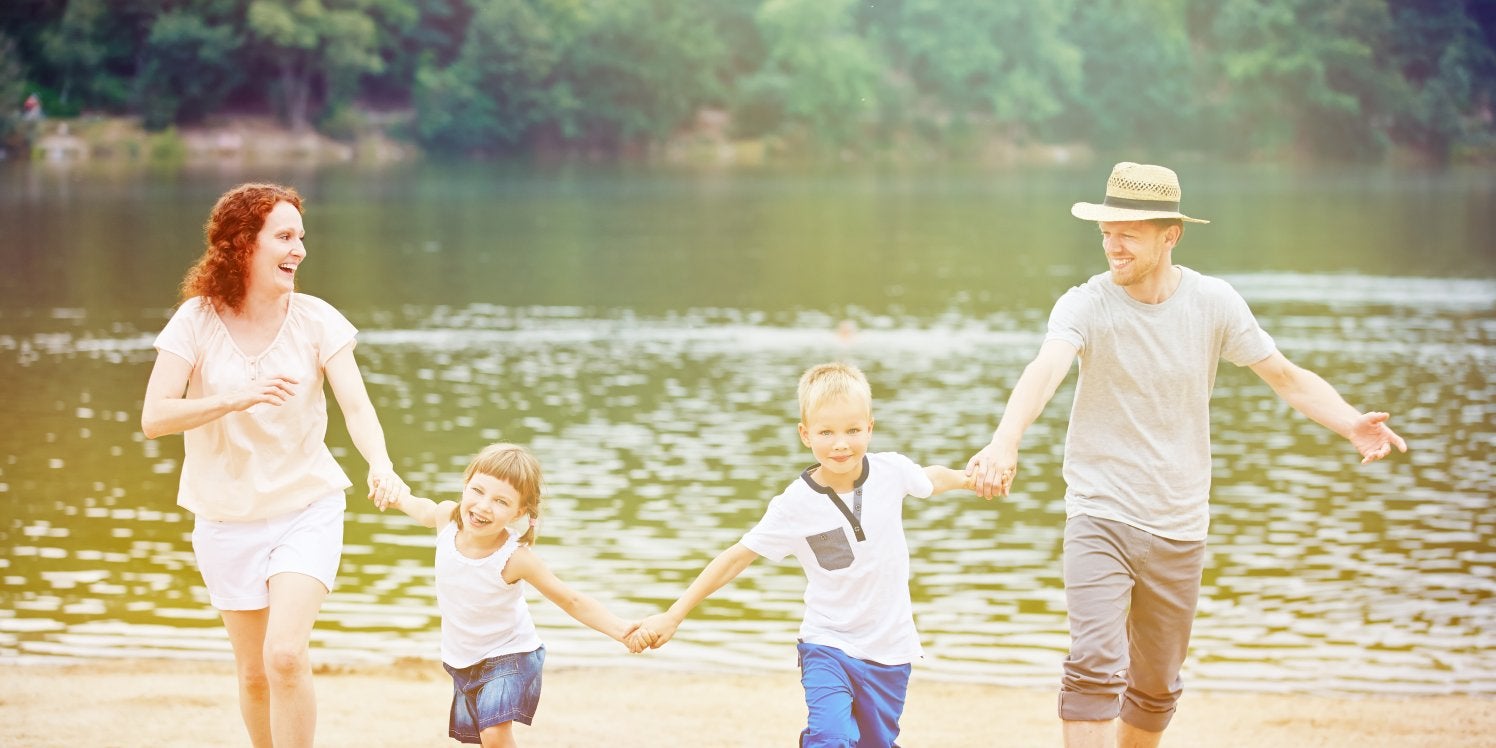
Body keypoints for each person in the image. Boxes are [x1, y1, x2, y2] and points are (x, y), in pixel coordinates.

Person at [964, 162, 1408, 748]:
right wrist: (1005, 439)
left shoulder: (1214, 303)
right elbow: (1045, 369)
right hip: (1101, 514)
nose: (1111, 244)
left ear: (1170, 235)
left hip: (1180, 524)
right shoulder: (1085, 304)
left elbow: (1284, 376)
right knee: (1094, 664)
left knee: (1153, 691)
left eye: (1128, 232)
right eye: (1105, 231)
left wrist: (1351, 422)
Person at [141, 182, 408, 748]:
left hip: (306, 506)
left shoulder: (317, 321)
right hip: (224, 517)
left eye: (301, 237)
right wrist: (236, 396)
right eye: (284, 237)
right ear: (242, 244)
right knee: (254, 673)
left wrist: (380, 465)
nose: (300, 250)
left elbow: (356, 407)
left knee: (284, 655)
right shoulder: (195, 321)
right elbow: (155, 418)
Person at [629, 362, 972, 748]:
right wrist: (675, 614)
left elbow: (932, 479)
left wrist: (969, 479)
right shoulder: (794, 504)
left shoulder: (892, 471)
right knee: (832, 738)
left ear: (870, 428)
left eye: (853, 430)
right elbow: (737, 557)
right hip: (827, 644)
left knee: (876, 743)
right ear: (805, 434)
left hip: (890, 650)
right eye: (826, 432)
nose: (840, 443)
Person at [373, 442, 643, 747]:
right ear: (465, 485)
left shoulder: (515, 558)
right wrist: (393, 494)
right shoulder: (447, 518)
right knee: (480, 739)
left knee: (494, 733)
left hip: (511, 654)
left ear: (520, 512)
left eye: (501, 501)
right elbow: (419, 507)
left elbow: (571, 599)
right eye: (477, 491)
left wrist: (621, 630)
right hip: (464, 657)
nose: (484, 505)